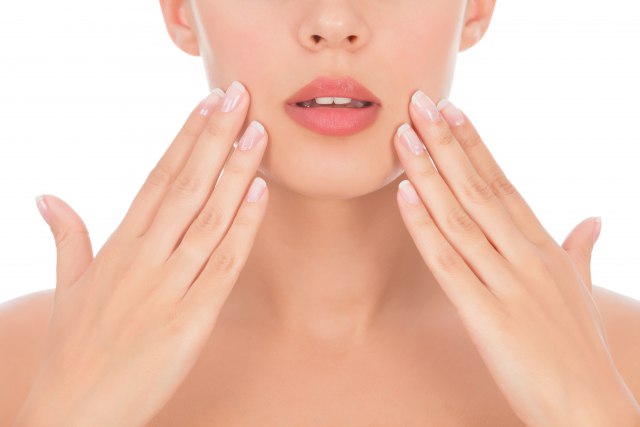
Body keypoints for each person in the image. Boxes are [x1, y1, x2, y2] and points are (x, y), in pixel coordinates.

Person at [2, 0, 639, 425]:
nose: (333, 22)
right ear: (180, 10)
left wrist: (596, 414)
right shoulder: (21, 363)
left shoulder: (622, 365)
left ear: (474, 8)